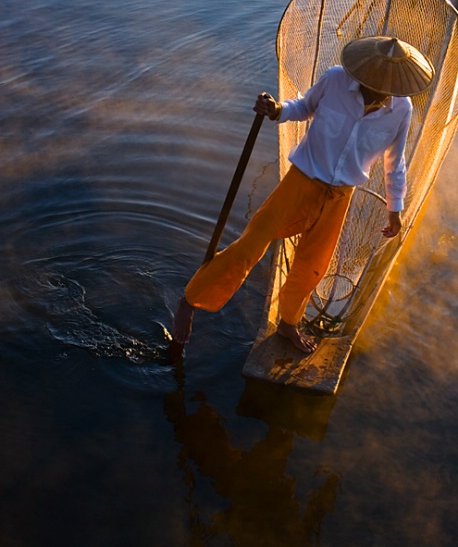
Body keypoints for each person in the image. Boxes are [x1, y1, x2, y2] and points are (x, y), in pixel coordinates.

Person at [172, 35, 434, 353]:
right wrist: (277, 109)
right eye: (375, 80)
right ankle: (190, 300)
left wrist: (395, 210)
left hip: (340, 196)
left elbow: (395, 163)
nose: (381, 87)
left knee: (313, 266)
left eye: (389, 84)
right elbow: (304, 108)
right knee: (251, 244)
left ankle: (288, 324)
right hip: (301, 181)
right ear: (362, 71)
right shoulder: (336, 79)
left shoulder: (400, 109)